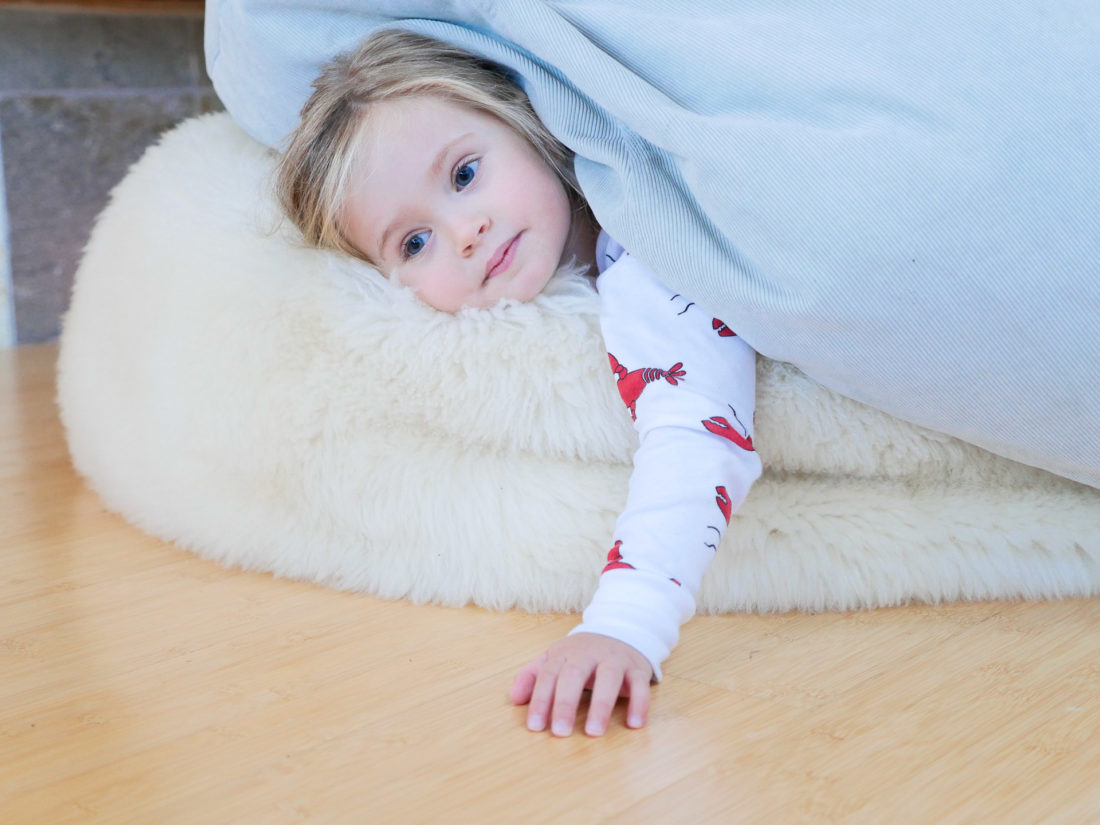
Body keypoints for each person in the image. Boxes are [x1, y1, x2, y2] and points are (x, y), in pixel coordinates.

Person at [275, 30, 762, 737]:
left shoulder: (647, 252)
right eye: (415, 243)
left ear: (525, 122)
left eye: (465, 174)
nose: (464, 231)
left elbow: (699, 430)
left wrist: (626, 623)